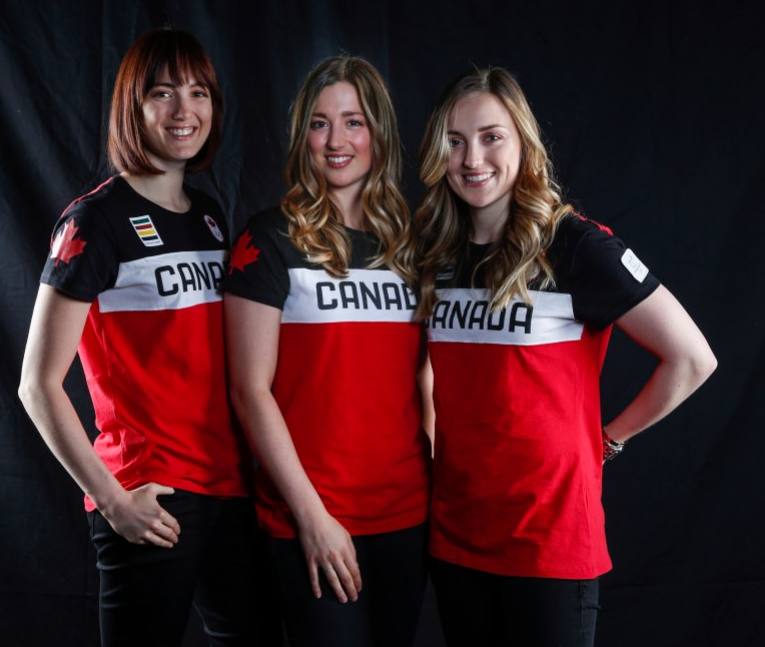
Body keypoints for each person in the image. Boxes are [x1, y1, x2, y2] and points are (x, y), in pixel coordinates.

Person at [414, 67, 717, 647]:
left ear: (523, 143)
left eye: (491, 136)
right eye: (455, 141)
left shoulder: (574, 244)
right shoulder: (437, 253)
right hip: (457, 535)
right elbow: (431, 371)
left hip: (548, 541)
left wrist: (608, 440)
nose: (472, 156)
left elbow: (692, 358)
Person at [18, 28, 279, 647]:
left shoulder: (210, 213)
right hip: (152, 493)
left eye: (198, 93)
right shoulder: (95, 220)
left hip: (231, 488)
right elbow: (37, 383)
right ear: (132, 107)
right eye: (162, 94)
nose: (183, 111)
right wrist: (111, 500)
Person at [223, 56, 431, 647]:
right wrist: (312, 518)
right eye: (319, 123)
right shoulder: (268, 238)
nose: (336, 141)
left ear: (379, 135)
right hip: (311, 516)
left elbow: (424, 382)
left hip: (406, 513)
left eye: (354, 122)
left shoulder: (413, 244)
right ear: (302, 137)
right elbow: (249, 390)